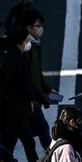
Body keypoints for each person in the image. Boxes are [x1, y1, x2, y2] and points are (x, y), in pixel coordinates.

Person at [0, 28, 49, 162]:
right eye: (26, 41)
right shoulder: (12, 60)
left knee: (8, 143)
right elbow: (5, 86)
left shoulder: (18, 57)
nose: (28, 43)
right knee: (27, 141)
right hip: (14, 110)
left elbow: (28, 83)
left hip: (17, 109)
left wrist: (41, 98)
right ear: (19, 43)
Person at [22, 8, 57, 152]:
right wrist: (31, 98)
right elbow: (25, 77)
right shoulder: (27, 48)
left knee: (26, 135)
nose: (41, 28)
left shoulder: (35, 44)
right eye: (38, 25)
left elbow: (37, 74)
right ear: (29, 28)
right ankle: (53, 157)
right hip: (29, 99)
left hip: (32, 97)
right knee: (42, 128)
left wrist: (47, 88)